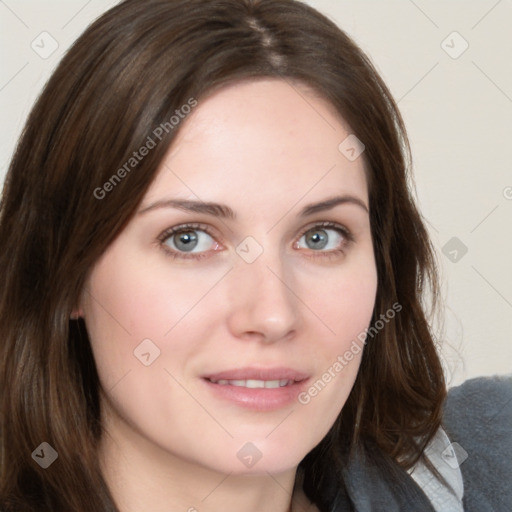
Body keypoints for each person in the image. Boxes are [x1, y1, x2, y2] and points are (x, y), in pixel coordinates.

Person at [1, 1, 509, 511]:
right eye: (189, 239)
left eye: (320, 236)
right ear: (63, 274)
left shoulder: (484, 468)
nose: (273, 315)